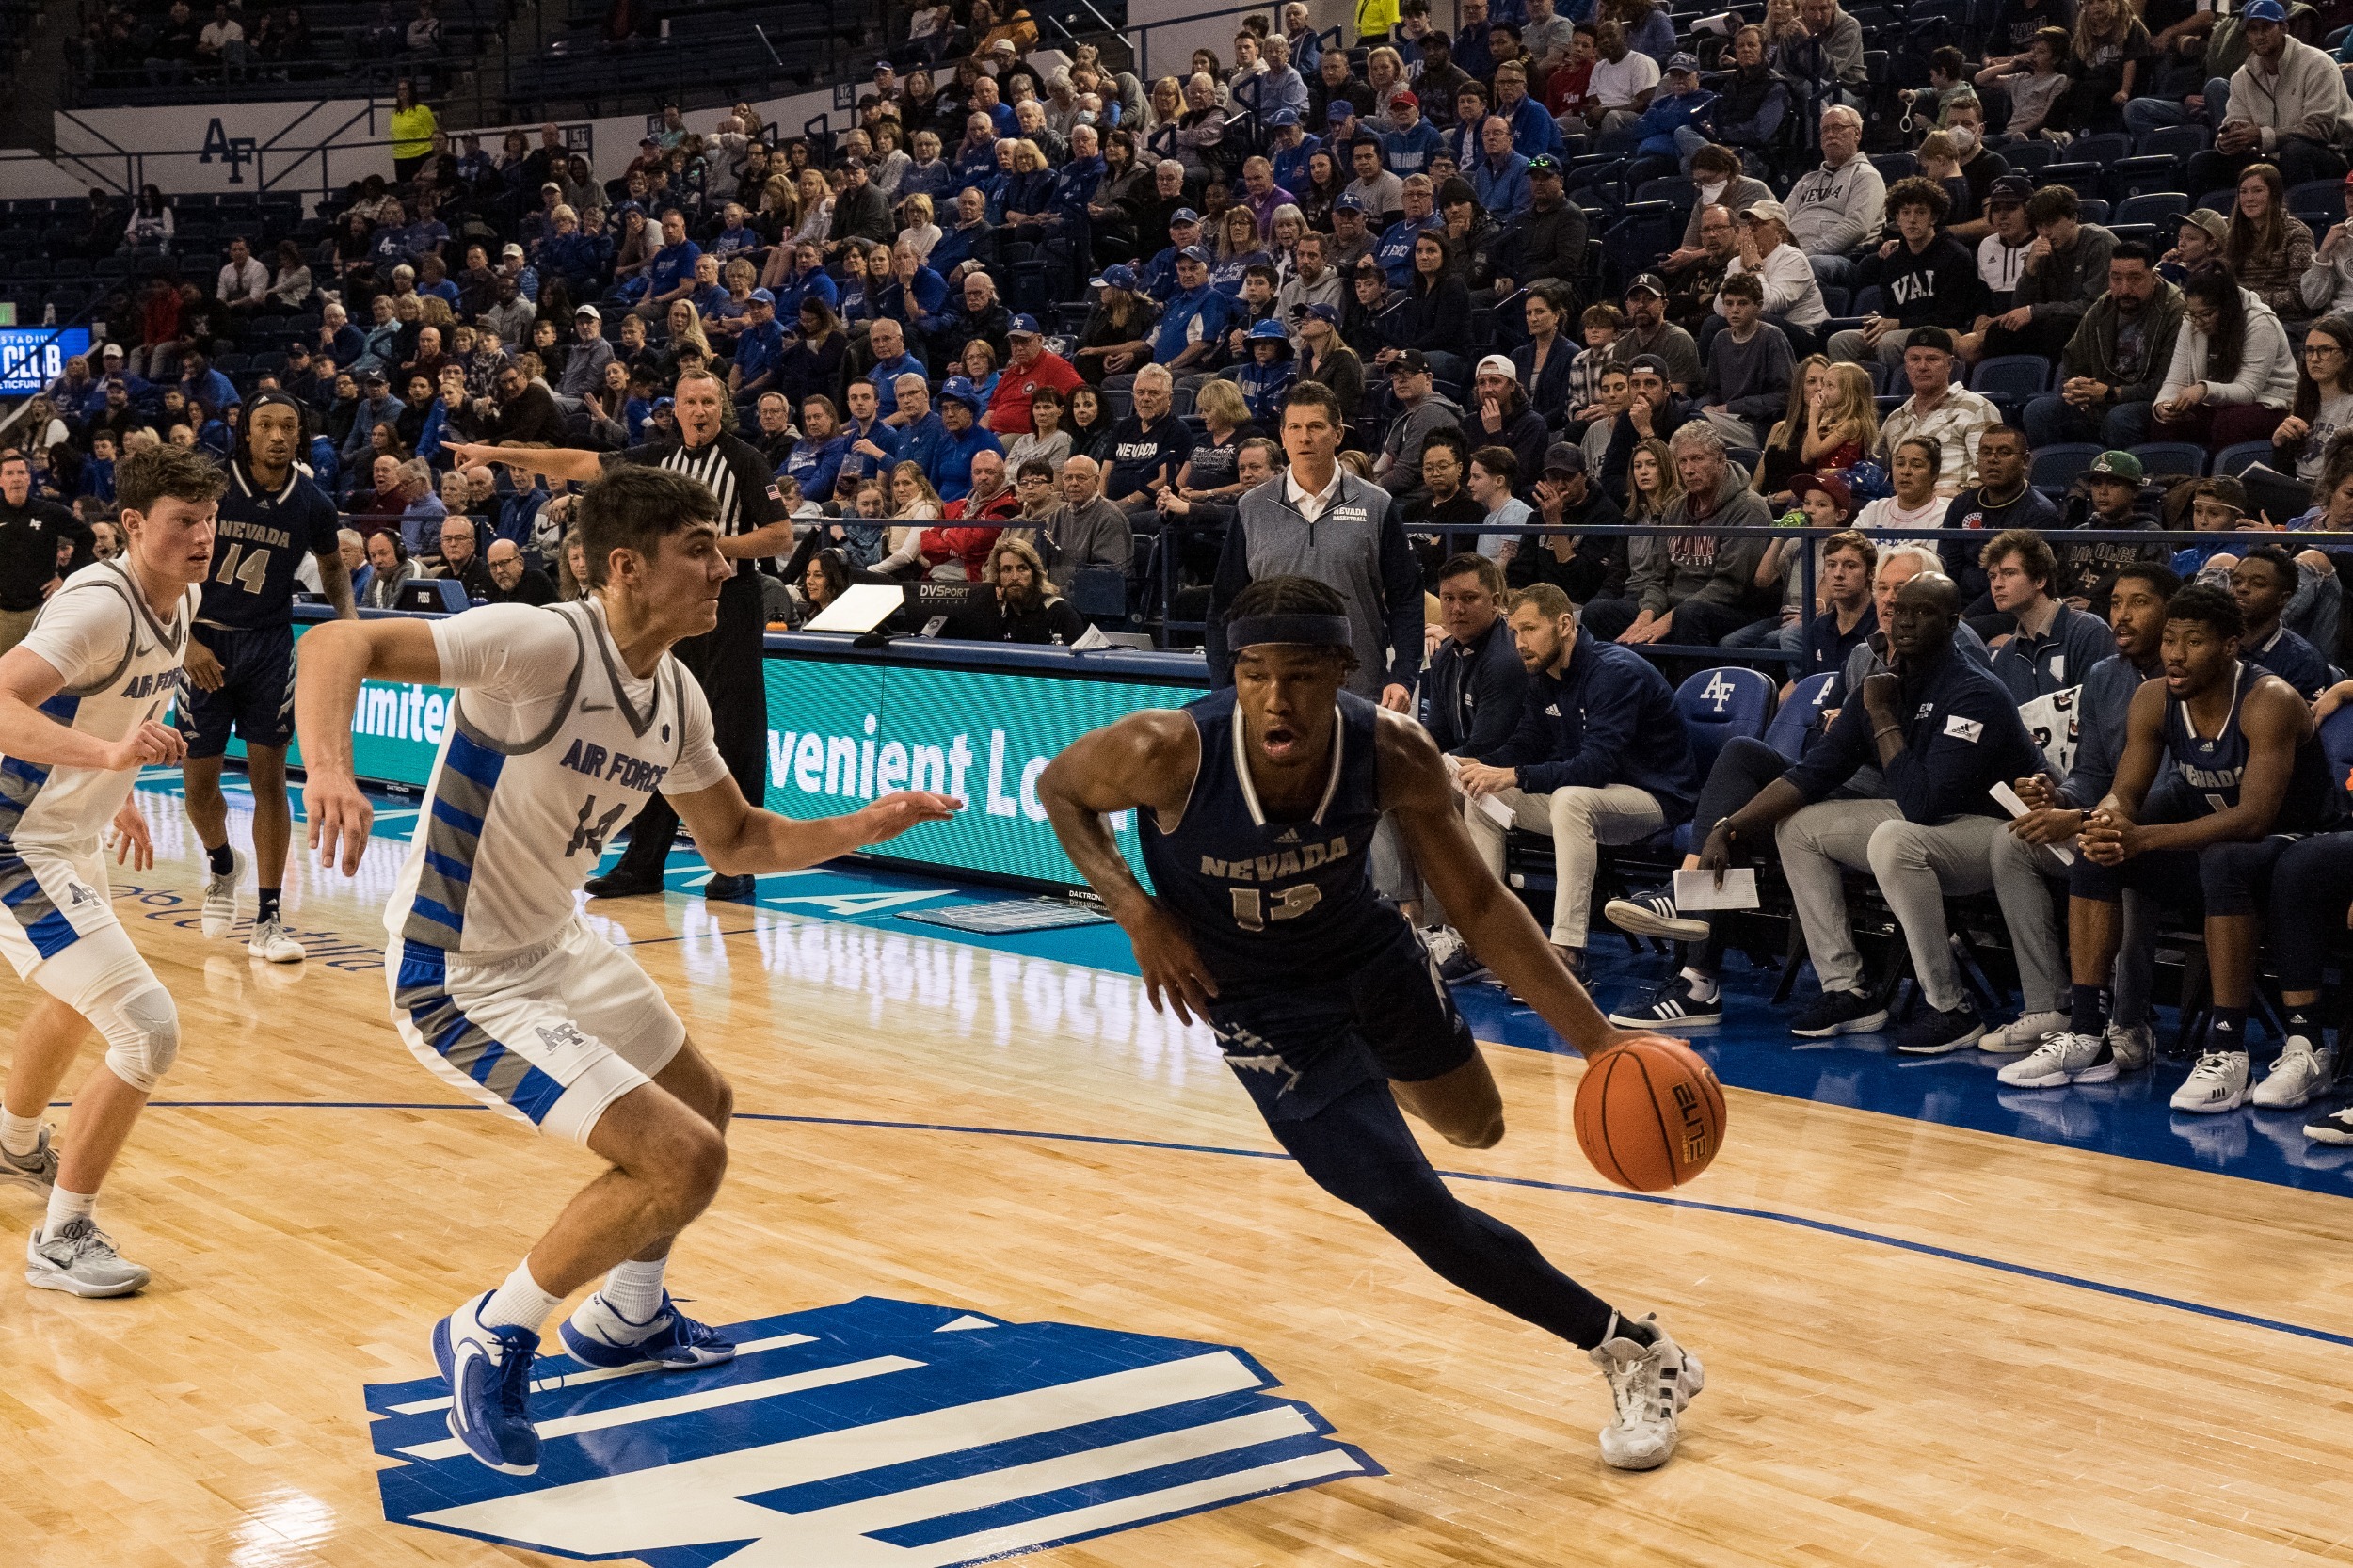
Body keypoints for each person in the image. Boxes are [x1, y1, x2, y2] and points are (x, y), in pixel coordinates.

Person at [295, 463, 955, 1475]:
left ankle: (626, 1318)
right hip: (455, 970)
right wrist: (332, 769)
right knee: (683, 1158)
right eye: (698, 548)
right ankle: (492, 1327)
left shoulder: (677, 692)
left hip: (554, 945)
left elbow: (733, 839)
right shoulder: (545, 642)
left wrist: (863, 826)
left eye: (720, 547)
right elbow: (339, 639)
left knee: (707, 1100)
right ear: (624, 568)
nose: (721, 568)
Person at [1036, 573, 1707, 1474]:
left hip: (1369, 959)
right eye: (1257, 673)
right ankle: (1632, 1347)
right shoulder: (1165, 751)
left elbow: (1475, 897)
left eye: (1304, 675)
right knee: (1409, 1201)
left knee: (1480, 1126)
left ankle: (1367, 1067)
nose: (1278, 698)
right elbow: (1058, 790)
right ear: (1233, 675)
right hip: (1259, 1006)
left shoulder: (1390, 748)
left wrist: (1597, 1039)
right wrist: (1136, 910)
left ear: (1343, 672)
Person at [0, 445, 222, 1296]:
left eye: (208, 521)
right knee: (146, 1027)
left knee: (70, 999)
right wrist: (102, 754)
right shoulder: (96, 607)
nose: (201, 538)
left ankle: (16, 1141)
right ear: (132, 525)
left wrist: (115, 784)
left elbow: (133, 695)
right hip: (15, 841)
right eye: (182, 523)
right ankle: (63, 1238)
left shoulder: (183, 594)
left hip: (66, 825)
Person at [448, 370, 791, 905]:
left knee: (734, 728)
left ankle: (735, 867)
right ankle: (642, 864)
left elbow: (781, 535)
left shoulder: (744, 460)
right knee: (659, 728)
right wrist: (494, 453)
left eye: (708, 400)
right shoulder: (657, 459)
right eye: (689, 401)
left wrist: (706, 546)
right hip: (667, 599)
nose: (699, 409)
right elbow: (580, 462)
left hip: (731, 598)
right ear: (674, 410)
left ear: (721, 407)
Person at [1998, 583, 2339, 1107]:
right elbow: (2126, 792)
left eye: (2194, 641)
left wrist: (2142, 837)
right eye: (2171, 640)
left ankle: (2228, 1049)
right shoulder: (2153, 697)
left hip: (2288, 853)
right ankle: (2090, 1033)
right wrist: (2103, 822)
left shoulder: (2268, 700)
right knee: (2098, 848)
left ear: (2230, 646)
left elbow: (2255, 819)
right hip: (2204, 854)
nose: (2175, 654)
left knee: (2226, 860)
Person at [1710, 570, 2043, 1050]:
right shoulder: (1879, 683)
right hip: (1926, 824)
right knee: (1800, 827)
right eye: (1899, 610)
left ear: (1951, 624)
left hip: (1995, 833)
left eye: (1922, 612)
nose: (1903, 621)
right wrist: (1732, 826)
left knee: (1895, 837)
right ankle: (1846, 988)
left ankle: (1950, 1006)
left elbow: (1922, 804)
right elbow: (1813, 772)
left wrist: (1884, 715)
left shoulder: (1974, 692)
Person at [176, 394, 353, 966]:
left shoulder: (312, 502)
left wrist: (350, 629)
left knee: (269, 781)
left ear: (300, 435)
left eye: (288, 427)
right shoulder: (210, 489)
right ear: (245, 433)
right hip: (203, 642)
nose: (277, 436)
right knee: (200, 786)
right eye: (265, 425)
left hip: (269, 648)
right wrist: (188, 643)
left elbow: (333, 568)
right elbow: (166, 564)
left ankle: (269, 917)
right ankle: (223, 865)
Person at [1981, 561, 2179, 1057]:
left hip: (2163, 830)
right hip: (2102, 818)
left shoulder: (2185, 680)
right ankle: (2047, 1004)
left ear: (2170, 613)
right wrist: (2058, 796)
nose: (2123, 616)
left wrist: (2084, 819)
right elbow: (2091, 771)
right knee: (2014, 842)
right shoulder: (2103, 674)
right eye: (2116, 603)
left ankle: (2129, 1022)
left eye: (2139, 603)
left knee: (2113, 853)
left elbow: (2174, 788)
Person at [1454, 582, 1698, 978]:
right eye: (1515, 631)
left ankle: (1566, 951)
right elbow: (1527, 743)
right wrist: (1474, 764)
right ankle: (1487, 943)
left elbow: (1594, 767)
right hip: (1591, 796)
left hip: (1655, 800)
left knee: (1570, 798)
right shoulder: (1543, 674)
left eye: (1530, 629)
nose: (1519, 642)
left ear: (1565, 624)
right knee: (1480, 797)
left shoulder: (1615, 672)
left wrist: (1514, 774)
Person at [1583, 424, 1774, 646]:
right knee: (1597, 612)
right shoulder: (1676, 509)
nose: (1689, 469)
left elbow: (1729, 587)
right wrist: (1647, 614)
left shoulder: (1749, 508)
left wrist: (1666, 620)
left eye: (1697, 459)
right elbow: (1659, 577)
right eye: (1682, 461)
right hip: (1675, 605)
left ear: (1721, 458)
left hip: (1727, 608)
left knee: (1688, 615)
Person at [2024, 244, 2185, 451]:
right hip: (2102, 401)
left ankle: (2126, 480)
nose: (2124, 288)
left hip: (2150, 403)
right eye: (2116, 278)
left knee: (2120, 418)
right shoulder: (2102, 307)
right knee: (2038, 411)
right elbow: (2073, 361)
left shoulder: (2175, 311)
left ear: (2153, 278)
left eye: (2135, 278)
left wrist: (2111, 393)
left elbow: (2166, 384)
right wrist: (2074, 386)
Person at [2188, 0, 2352, 194]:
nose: (2259, 36)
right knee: (2202, 163)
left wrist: (2260, 136)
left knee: (2294, 152)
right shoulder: (2242, 77)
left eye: (2266, 27)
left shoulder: (2318, 64)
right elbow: (2235, 121)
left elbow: (2318, 130)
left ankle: (2300, 218)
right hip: (2271, 157)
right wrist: (2228, 140)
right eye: (2252, 29)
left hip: (2334, 154)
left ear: (2284, 28)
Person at [1827, 179, 1987, 376]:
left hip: (1949, 331)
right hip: (1905, 330)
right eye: (1905, 212)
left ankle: (1902, 396)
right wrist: (1880, 322)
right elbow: (1895, 312)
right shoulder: (1893, 261)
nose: (1912, 219)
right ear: (1897, 218)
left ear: (1933, 217)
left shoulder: (1954, 254)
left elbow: (1950, 316)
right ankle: (1854, 398)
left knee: (1889, 341)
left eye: (1920, 212)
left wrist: (1896, 324)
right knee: (1841, 341)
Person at [2152, 265, 2297, 452]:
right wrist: (2163, 405)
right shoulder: (2191, 322)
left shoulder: (2260, 322)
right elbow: (2175, 379)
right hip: (2218, 403)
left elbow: (2247, 391)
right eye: (2193, 314)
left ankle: (2223, 480)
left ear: (2227, 307)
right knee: (2166, 422)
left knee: (2230, 422)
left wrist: (2203, 389)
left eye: (2206, 314)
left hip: (2269, 403)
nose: (2197, 322)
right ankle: (2175, 480)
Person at [1983, 528, 2116, 703]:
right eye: (1992, 576)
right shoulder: (2006, 656)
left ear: (2040, 580)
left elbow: (2097, 712)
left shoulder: (2089, 633)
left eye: (2009, 573)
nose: (1997, 584)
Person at [1876, 328, 1998, 498]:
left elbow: (1992, 472)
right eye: (1914, 359)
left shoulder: (1976, 407)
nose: (1922, 366)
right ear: (1906, 365)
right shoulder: (1895, 419)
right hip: (1904, 510)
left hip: (1955, 508)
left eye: (1932, 359)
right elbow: (1877, 475)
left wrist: (1959, 492)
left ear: (1950, 364)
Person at [0, 453, 96, 657]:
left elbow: (87, 537)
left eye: (21, 472)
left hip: (42, 609)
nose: (16, 478)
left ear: (29, 478)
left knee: (43, 671)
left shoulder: (49, 511)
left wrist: (66, 577)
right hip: (3, 614)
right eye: (9, 473)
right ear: (1, 480)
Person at [1785, 106, 1885, 290]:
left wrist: (1805, 253)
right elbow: (1780, 220)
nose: (1830, 134)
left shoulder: (1866, 175)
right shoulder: (1807, 180)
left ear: (1857, 134)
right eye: (1825, 130)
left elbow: (1857, 226)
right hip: (1794, 256)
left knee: (1813, 265)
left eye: (1838, 128)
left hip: (1844, 258)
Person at [965, 533, 1090, 643]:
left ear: (1034, 573)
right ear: (998, 576)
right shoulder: (999, 613)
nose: (1014, 577)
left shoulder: (1059, 611)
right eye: (1007, 569)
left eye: (1022, 568)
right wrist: (991, 612)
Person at [483, 537, 558, 605]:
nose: (499, 571)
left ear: (520, 563)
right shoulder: (493, 587)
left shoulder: (536, 580)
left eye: (504, 563)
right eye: (493, 566)